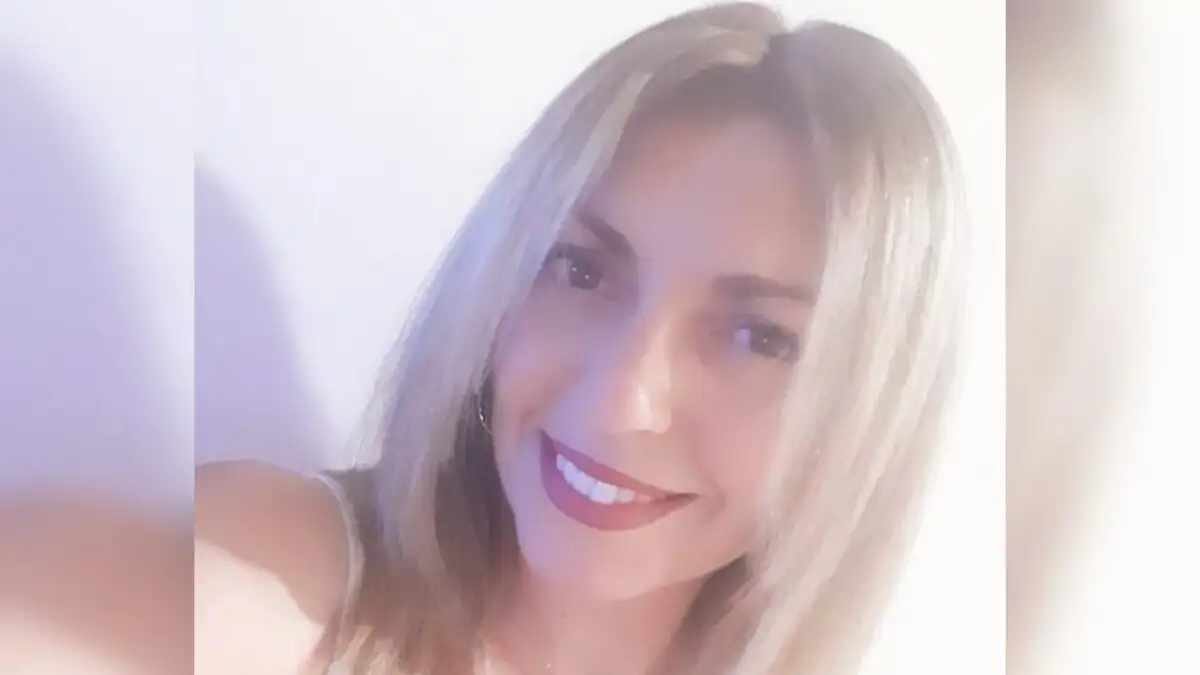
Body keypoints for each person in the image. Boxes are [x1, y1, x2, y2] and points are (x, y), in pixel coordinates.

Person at [197, 3, 964, 674]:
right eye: (582, 270)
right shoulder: (264, 574)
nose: (619, 401)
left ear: (867, 417)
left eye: (759, 336)